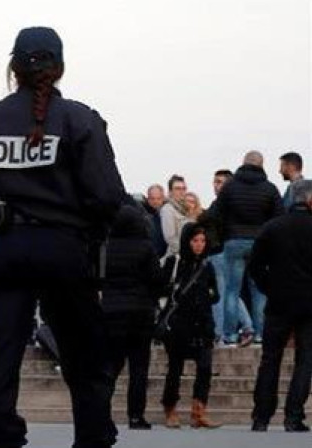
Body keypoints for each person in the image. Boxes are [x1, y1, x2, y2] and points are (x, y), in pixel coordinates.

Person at [0, 27, 126, 448]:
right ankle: (92, 435)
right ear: (60, 67)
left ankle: (1, 436)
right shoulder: (80, 119)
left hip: (2, 248)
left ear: (12, 67)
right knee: (84, 354)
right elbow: (107, 195)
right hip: (62, 247)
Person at [248, 179, 312, 432]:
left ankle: (261, 416)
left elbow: (255, 266)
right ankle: (294, 416)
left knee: (270, 358)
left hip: (278, 302)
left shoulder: (272, 227)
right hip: (310, 305)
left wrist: (270, 287)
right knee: (305, 360)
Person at [206, 150, 284, 343]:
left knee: (232, 290)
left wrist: (224, 234)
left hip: (233, 241)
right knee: (259, 291)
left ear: (243, 163)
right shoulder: (270, 188)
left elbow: (215, 214)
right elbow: (279, 218)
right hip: (260, 244)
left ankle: (230, 334)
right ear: (262, 164)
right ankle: (259, 334)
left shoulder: (230, 188)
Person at [102, 204, 164, 430]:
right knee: (139, 368)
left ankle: (101, 412)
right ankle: (136, 416)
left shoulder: (106, 246)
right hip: (140, 313)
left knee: (110, 367)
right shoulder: (145, 247)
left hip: (111, 312)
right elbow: (157, 280)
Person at [159, 224, 221, 429]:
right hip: (179, 324)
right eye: (195, 241)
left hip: (202, 324)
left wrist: (207, 295)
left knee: (205, 368)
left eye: (202, 241)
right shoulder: (174, 263)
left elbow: (215, 294)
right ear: (187, 241)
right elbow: (161, 289)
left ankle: (199, 410)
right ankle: (170, 409)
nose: (199, 245)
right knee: (175, 369)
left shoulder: (207, 266)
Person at [204, 169, 254, 346]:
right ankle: (247, 327)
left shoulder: (221, 206)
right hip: (225, 251)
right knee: (230, 293)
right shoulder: (230, 205)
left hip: (219, 252)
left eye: (220, 182)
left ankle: (219, 333)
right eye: (215, 181)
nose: (216, 186)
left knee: (220, 294)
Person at [160, 175, 189, 261]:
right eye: (177, 189)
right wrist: (187, 251)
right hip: (176, 258)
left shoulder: (185, 210)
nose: (181, 191)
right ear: (170, 192)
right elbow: (170, 237)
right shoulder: (168, 209)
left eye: (184, 189)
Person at [144, 184, 167, 258]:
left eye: (158, 198)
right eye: (152, 199)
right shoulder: (142, 216)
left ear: (163, 198)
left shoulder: (167, 215)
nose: (155, 201)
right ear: (148, 199)